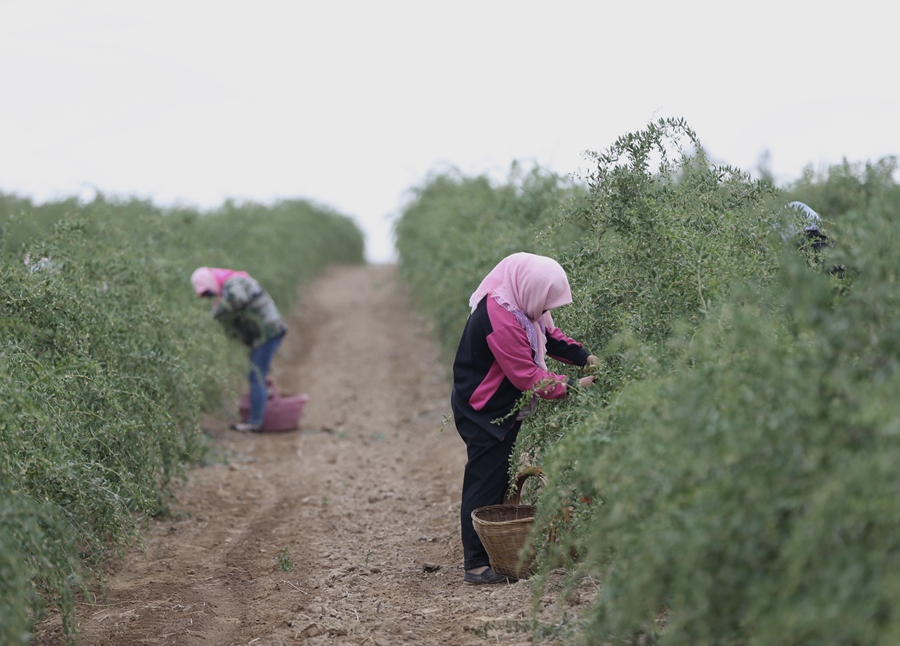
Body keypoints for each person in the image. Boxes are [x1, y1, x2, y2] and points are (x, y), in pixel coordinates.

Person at [451, 252, 599, 585]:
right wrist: (575, 386)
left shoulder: (520, 304)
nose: (546, 310)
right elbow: (527, 377)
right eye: (545, 302)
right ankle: (476, 564)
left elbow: (551, 336)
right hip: (483, 407)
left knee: (496, 476)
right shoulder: (501, 318)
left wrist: (586, 357)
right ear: (530, 288)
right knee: (483, 479)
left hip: (499, 404)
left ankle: (492, 551)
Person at [190, 266, 288, 432]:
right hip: (268, 333)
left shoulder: (233, 283)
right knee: (258, 374)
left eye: (207, 292)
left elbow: (238, 298)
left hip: (269, 333)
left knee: (256, 375)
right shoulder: (231, 284)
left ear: (209, 282)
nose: (209, 296)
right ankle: (261, 416)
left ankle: (255, 422)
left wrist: (216, 312)